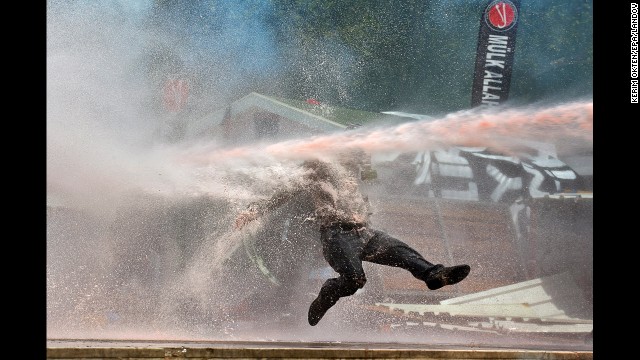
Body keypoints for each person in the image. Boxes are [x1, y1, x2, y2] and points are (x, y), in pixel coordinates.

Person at [234, 152, 471, 326]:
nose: (359, 157)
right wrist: (256, 210)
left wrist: (368, 172)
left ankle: (434, 275)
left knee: (404, 254)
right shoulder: (319, 165)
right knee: (356, 280)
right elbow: (287, 190)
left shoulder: (356, 171)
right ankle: (328, 293)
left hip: (366, 233)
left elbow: (373, 179)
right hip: (337, 236)